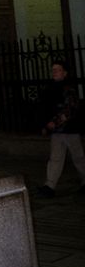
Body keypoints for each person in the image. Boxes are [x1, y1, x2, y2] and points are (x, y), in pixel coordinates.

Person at [38, 60, 85, 197]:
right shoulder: (51, 89)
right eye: (53, 70)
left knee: (79, 157)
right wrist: (45, 125)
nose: (54, 72)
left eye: (57, 70)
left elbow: (70, 109)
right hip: (58, 132)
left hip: (70, 130)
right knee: (55, 158)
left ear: (64, 73)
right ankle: (49, 185)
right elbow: (46, 108)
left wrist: (55, 122)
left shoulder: (69, 89)